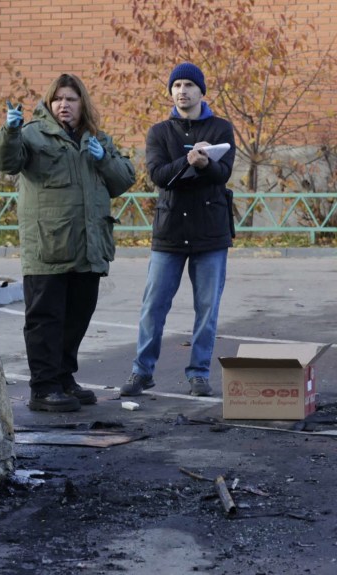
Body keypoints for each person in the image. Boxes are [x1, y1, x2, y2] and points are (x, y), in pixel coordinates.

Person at [0, 74, 136, 412]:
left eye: (71, 99)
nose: (64, 105)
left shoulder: (96, 138)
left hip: (88, 246)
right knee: (46, 319)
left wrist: (104, 159)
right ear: (49, 103)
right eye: (57, 100)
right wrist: (9, 131)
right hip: (48, 247)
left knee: (77, 315)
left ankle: (64, 378)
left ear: (82, 103)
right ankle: (43, 388)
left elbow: (124, 179)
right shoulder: (32, 135)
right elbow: (4, 162)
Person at [121, 62, 236, 398]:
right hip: (169, 232)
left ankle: (199, 373)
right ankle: (141, 371)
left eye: (189, 85)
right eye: (176, 85)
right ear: (171, 92)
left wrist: (207, 165)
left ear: (202, 91)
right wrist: (188, 162)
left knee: (207, 309)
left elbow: (223, 173)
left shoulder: (221, 128)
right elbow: (158, 175)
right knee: (153, 306)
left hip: (210, 233)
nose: (182, 91)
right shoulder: (160, 132)